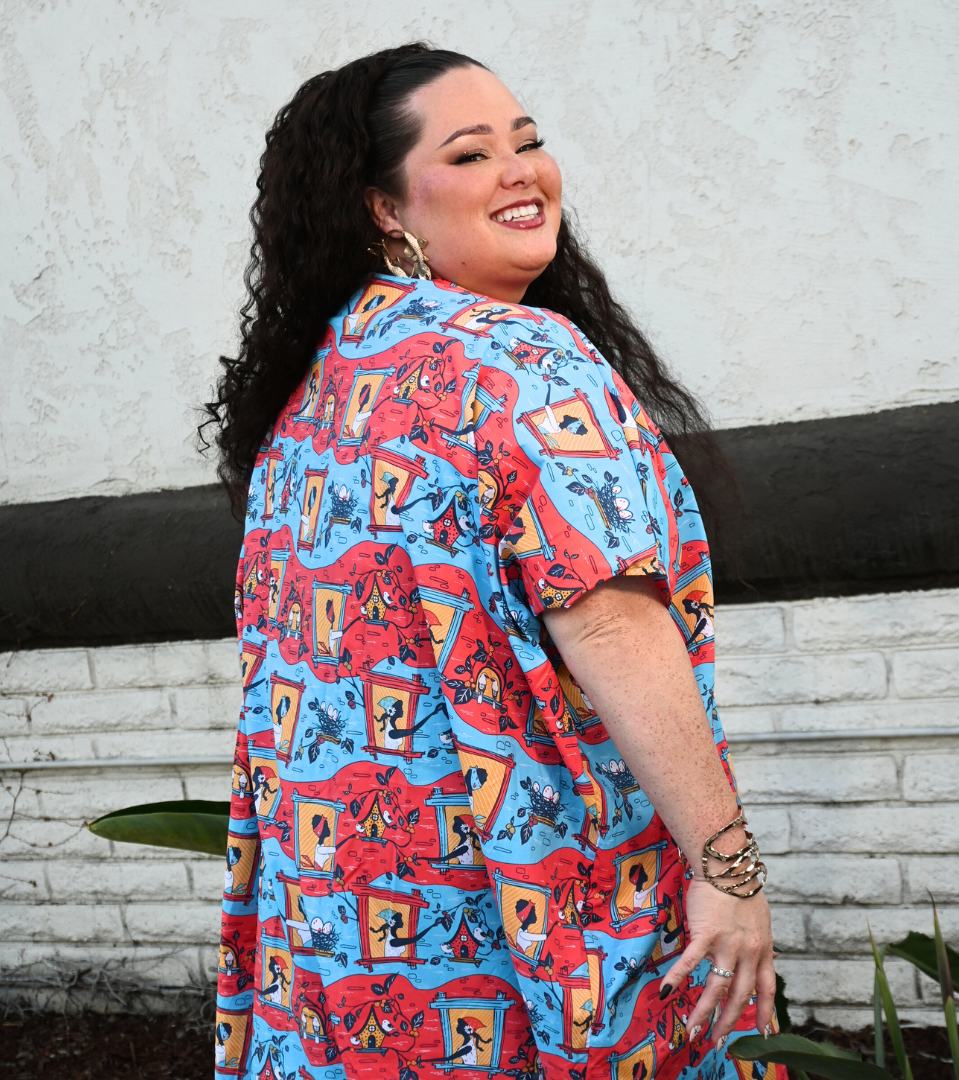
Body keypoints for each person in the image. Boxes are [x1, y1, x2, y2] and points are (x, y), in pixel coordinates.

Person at [207, 43, 778, 1080]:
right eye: (470, 155)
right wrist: (726, 868)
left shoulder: (313, 403)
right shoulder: (522, 359)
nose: (520, 170)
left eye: (529, 142)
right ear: (383, 208)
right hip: (528, 915)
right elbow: (608, 623)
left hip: (347, 938)